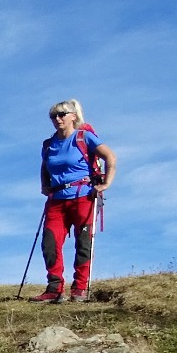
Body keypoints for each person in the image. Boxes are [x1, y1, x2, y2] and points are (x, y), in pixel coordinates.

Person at [31, 99, 117, 303]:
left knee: (84, 242)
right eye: (53, 116)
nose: (57, 119)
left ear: (73, 116)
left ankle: (79, 288)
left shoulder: (84, 137)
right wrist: (44, 185)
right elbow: (45, 166)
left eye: (62, 114)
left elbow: (110, 158)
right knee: (49, 243)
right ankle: (54, 288)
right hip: (57, 199)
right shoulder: (49, 144)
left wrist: (105, 184)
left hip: (84, 196)